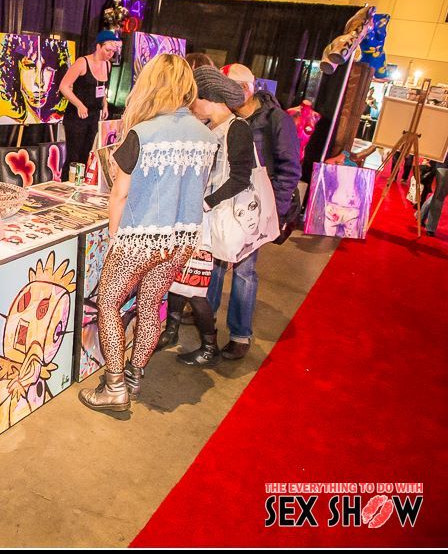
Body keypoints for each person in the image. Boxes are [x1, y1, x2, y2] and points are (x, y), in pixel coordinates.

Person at [79, 54, 217, 413]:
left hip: (139, 239)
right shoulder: (206, 135)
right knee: (151, 304)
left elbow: (120, 195)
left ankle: (114, 386)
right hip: (182, 239)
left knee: (108, 303)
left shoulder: (143, 133)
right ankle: (134, 376)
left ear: (151, 85)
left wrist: (114, 238)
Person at [159, 66, 253, 367]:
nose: (192, 106)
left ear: (210, 99)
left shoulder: (237, 128)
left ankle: (208, 346)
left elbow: (241, 177)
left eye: (195, 99)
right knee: (178, 277)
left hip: (211, 220)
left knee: (195, 287)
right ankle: (171, 331)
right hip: (196, 217)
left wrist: (206, 202)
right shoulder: (213, 127)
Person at [205, 63, 301, 360]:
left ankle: (239, 334)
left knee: (244, 271)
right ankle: (206, 321)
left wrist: (274, 213)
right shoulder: (225, 117)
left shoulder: (276, 120)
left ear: (247, 88)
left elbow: (289, 169)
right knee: (215, 263)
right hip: (223, 201)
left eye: (231, 88)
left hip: (254, 207)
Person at [59, 30, 122, 167]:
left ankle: (80, 179)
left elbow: (101, 88)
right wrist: (79, 104)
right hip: (77, 116)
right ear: (98, 46)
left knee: (85, 154)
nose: (110, 54)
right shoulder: (82, 62)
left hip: (93, 115)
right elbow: (64, 86)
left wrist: (105, 104)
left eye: (113, 52)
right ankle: (67, 179)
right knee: (73, 156)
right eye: (107, 50)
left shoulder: (107, 65)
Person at [0, 34, 71, 125]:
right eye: (30, 66)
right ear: (15, 69)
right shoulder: (4, 120)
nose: (39, 82)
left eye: (49, 68)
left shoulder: (64, 120)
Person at [420, 129, 448, 237]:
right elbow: (438, 137)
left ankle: (420, 215)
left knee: (440, 194)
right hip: (445, 163)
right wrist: (428, 158)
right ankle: (431, 227)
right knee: (440, 196)